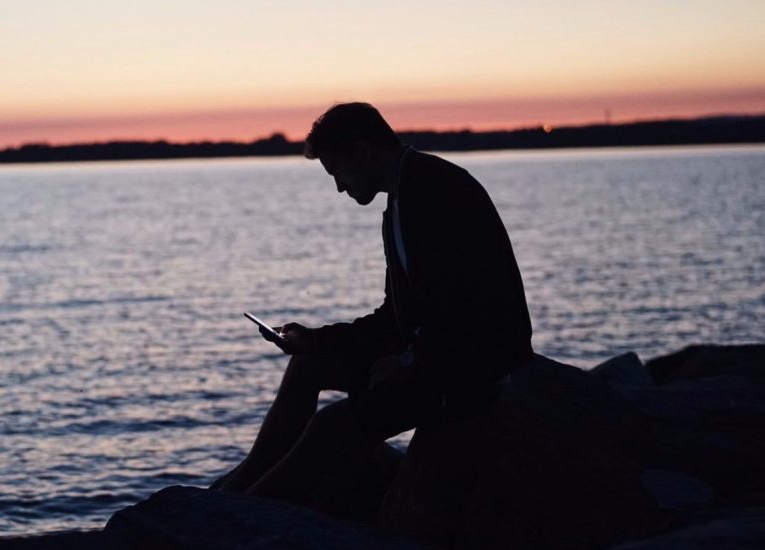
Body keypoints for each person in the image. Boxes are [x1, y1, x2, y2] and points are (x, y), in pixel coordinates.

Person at [213, 102, 534, 505]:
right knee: (306, 367)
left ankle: (246, 513)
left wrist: (406, 363)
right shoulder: (400, 202)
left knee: (334, 426)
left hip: (471, 369)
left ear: (363, 153)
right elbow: (394, 319)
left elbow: (462, 313)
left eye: (337, 173)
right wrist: (314, 340)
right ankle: (240, 490)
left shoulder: (437, 192)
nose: (339, 188)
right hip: (433, 356)